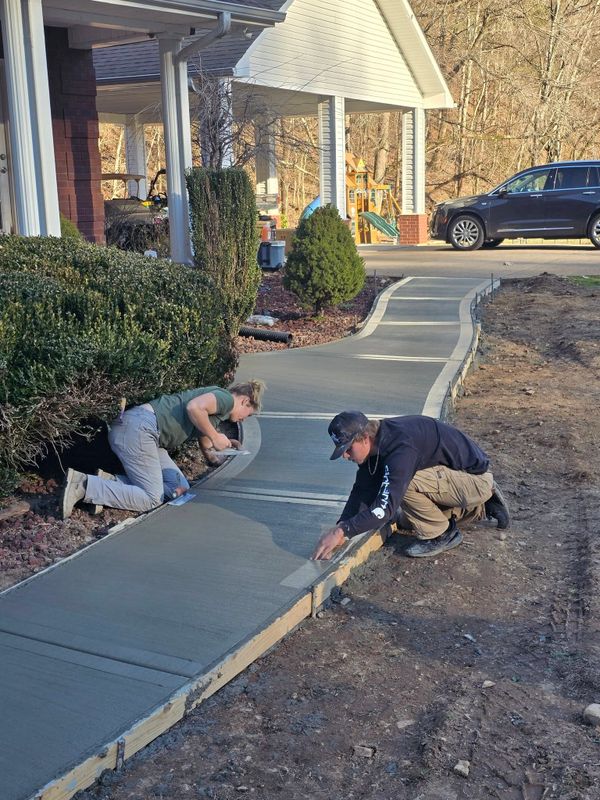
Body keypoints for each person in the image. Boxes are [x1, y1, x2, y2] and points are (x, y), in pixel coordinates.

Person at [312, 411, 510, 561]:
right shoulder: (378, 441)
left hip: (475, 479)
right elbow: (363, 490)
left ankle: (443, 535)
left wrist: (343, 531)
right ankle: (482, 507)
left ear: (364, 438)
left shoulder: (401, 448)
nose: (345, 456)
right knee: (405, 519)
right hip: (458, 478)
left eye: (348, 449)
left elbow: (384, 509)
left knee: (403, 485)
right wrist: (342, 525)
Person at [61, 380, 265, 518]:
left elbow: (203, 432)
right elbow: (194, 408)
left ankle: (111, 483)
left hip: (147, 434)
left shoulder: (219, 404)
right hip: (140, 430)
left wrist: (217, 454)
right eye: (247, 414)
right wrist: (215, 436)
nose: (243, 419)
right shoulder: (226, 399)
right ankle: (84, 485)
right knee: (152, 499)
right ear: (245, 401)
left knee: (180, 487)